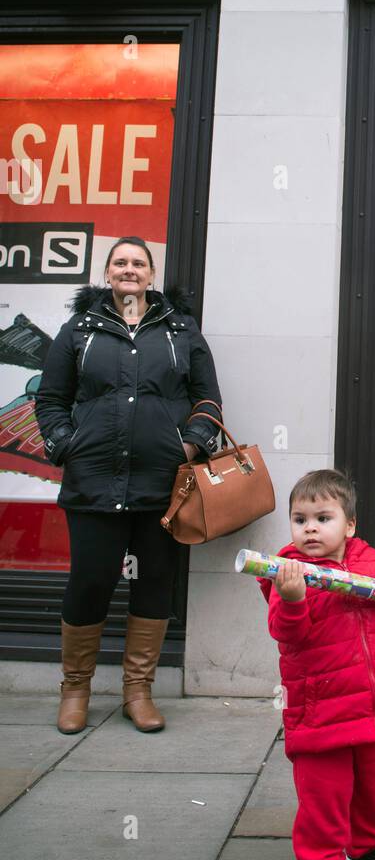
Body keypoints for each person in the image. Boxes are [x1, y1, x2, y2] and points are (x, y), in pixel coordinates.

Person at [35, 237, 222, 736]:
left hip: (163, 488)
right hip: (93, 483)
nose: (129, 270)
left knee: (154, 583)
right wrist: (66, 444)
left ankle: (138, 693)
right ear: (108, 272)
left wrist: (187, 446)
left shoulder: (181, 331)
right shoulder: (79, 330)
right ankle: (75, 690)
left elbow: (208, 400)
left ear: (150, 273)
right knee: (91, 582)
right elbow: (50, 400)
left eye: (138, 263)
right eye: (120, 262)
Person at [259, 468, 375, 860]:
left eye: (322, 517)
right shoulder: (289, 571)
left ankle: (371, 843)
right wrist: (292, 598)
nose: (309, 528)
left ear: (349, 526)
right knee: (325, 797)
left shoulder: (368, 560)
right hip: (322, 712)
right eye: (300, 519)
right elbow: (286, 635)